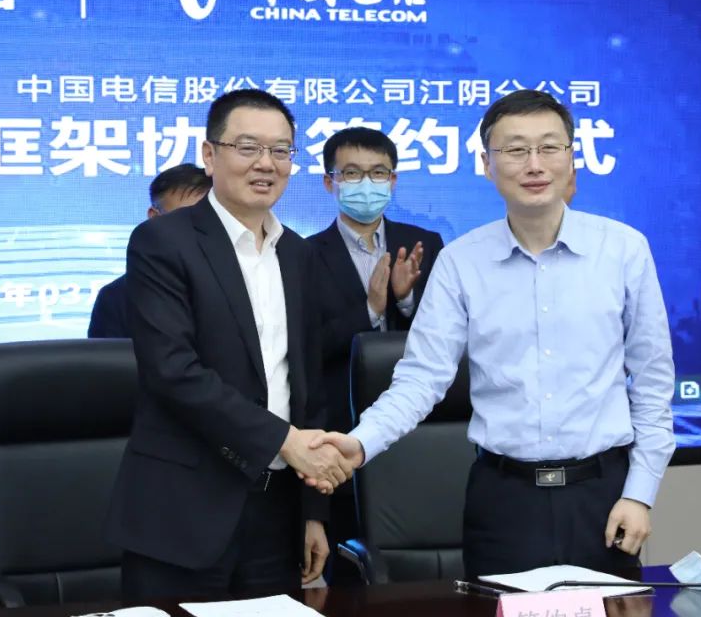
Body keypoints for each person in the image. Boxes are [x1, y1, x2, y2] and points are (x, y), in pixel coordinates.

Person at [309, 90, 675, 577]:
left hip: (604, 497)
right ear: (486, 164)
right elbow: (421, 379)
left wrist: (640, 493)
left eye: (549, 147)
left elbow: (652, 382)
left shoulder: (624, 250)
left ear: (571, 156)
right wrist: (359, 444)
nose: (534, 164)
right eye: (515, 149)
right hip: (504, 500)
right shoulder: (461, 262)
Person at [104, 89, 354, 601]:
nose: (266, 163)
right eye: (248, 147)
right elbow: (173, 372)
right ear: (210, 154)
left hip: (277, 514)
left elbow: (306, 387)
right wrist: (285, 443)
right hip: (183, 512)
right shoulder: (162, 242)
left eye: (280, 150)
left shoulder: (299, 255)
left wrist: (313, 513)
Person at [307, 126, 443, 582]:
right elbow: (308, 346)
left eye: (378, 173)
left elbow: (446, 338)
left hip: (422, 433)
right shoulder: (303, 255)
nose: (366, 184)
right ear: (330, 182)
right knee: (351, 572)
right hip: (341, 433)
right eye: (352, 173)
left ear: (393, 180)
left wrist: (404, 302)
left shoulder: (426, 243)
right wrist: (370, 309)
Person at [88, 164, 212, 338]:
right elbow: (107, 356)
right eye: (182, 219)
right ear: (154, 218)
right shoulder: (116, 297)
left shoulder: (240, 284)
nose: (196, 231)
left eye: (206, 219)